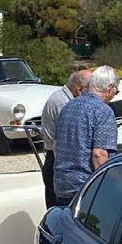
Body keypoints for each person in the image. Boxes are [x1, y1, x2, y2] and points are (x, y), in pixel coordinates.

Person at [50, 66, 121, 205]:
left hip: (62, 184)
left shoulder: (68, 106)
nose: (114, 95)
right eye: (116, 91)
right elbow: (99, 154)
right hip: (86, 188)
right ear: (110, 87)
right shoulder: (103, 111)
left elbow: (56, 145)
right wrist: (108, 188)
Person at [39, 69, 92, 206]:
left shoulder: (62, 98)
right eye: (90, 88)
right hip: (58, 160)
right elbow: (65, 140)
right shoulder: (64, 104)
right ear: (79, 88)